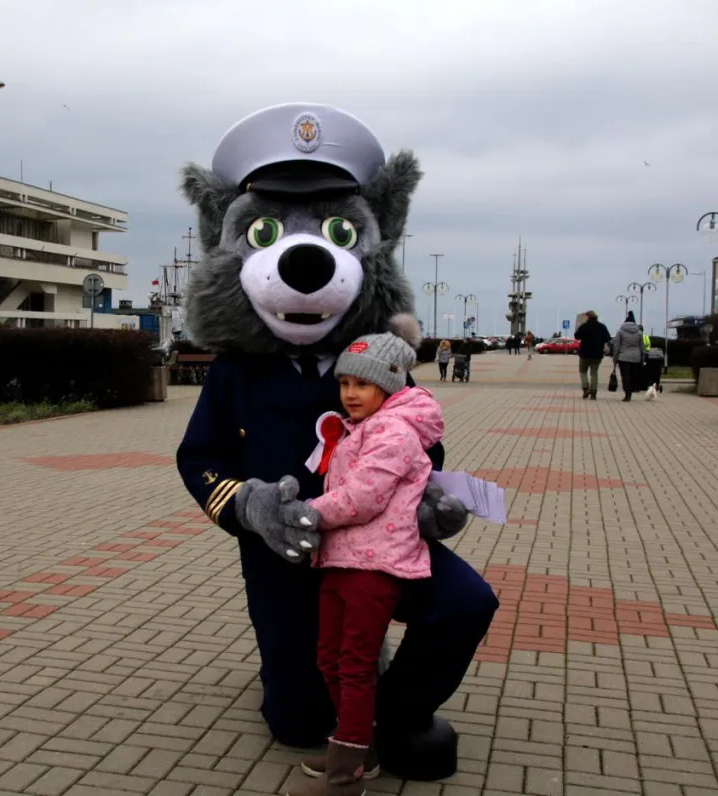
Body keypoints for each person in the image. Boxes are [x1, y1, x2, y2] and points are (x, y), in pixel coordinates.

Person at [175, 102, 497, 783]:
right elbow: (198, 458)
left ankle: (393, 712)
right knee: (296, 722)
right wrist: (248, 507)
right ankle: (313, 678)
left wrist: (431, 500)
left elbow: (421, 449)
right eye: (263, 232)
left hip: (379, 547)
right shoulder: (236, 372)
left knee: (467, 602)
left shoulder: (378, 362)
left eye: (340, 231)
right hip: (287, 556)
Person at [289, 332, 443, 794]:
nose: (350, 394)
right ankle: (357, 747)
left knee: (354, 665)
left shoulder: (394, 432)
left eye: (362, 384)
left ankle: (345, 776)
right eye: (344, 383)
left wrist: (306, 514)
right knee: (330, 659)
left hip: (374, 568)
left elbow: (362, 497)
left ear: (389, 385)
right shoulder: (362, 427)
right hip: (342, 559)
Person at [574, 310, 611, 400]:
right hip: (597, 354)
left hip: (585, 353)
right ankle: (593, 393)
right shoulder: (602, 326)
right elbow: (607, 338)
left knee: (583, 371)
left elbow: (577, 336)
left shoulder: (584, 326)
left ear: (588, 317)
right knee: (594, 373)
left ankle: (586, 388)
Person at [611, 311, 646, 402]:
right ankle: (632, 390)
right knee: (633, 376)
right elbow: (642, 347)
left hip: (623, 357)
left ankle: (627, 394)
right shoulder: (639, 332)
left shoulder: (620, 331)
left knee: (625, 376)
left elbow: (616, 346)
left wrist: (615, 359)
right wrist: (642, 358)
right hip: (635, 357)